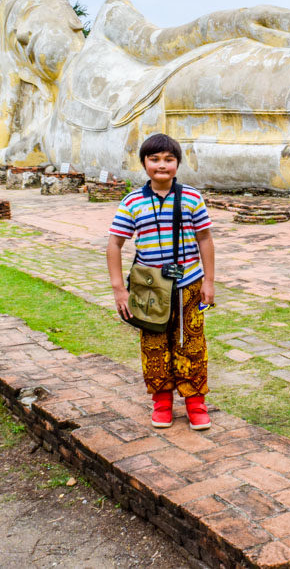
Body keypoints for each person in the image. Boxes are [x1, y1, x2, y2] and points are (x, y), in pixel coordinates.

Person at [106, 133, 216, 430]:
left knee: (191, 343)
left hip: (188, 283)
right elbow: (114, 244)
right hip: (149, 286)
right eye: (154, 159)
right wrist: (118, 289)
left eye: (168, 159)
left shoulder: (192, 198)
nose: (161, 165)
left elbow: (205, 239)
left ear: (178, 164)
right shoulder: (133, 202)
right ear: (144, 164)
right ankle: (162, 401)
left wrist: (209, 281)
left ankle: (195, 402)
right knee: (154, 342)